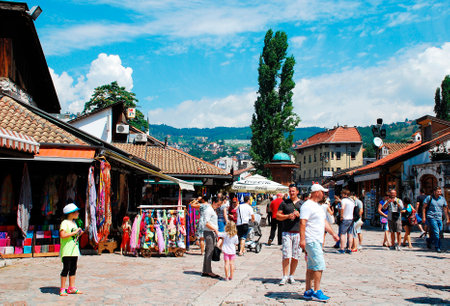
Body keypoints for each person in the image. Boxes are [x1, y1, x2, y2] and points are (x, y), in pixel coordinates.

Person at [300, 184, 339, 301]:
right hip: (311, 239)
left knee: (311, 266)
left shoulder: (317, 206)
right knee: (319, 265)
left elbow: (324, 222)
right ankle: (317, 291)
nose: (324, 194)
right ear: (317, 192)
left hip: (317, 239)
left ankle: (308, 290)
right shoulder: (307, 206)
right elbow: (302, 222)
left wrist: (333, 234)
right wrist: (302, 239)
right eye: (323, 192)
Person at [276, 184, 301, 285]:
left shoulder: (302, 204)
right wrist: (287, 216)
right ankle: (285, 275)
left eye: (293, 191)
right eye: (290, 191)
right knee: (286, 255)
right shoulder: (284, 203)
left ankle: (292, 275)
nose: (291, 193)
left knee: (295, 256)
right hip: (286, 232)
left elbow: (306, 218)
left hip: (298, 232)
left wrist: (300, 215)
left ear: (297, 192)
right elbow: (278, 216)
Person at [59, 203, 84, 296]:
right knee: (66, 268)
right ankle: (62, 288)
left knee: (73, 268)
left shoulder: (75, 223)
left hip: (74, 250)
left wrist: (79, 233)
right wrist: (74, 232)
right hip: (67, 251)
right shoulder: (64, 223)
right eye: (76, 211)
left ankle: (71, 287)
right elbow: (63, 235)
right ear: (71, 213)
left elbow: (74, 235)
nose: (78, 213)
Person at [423, 186, 449, 253]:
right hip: (431, 217)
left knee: (440, 232)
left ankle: (429, 240)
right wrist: (424, 217)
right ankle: (437, 247)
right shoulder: (429, 198)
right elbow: (424, 207)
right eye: (438, 191)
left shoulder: (442, 199)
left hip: (439, 217)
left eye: (440, 191)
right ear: (434, 192)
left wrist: (448, 218)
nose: (439, 193)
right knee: (436, 232)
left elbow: (445, 209)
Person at [201, 196, 222, 278]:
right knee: (209, 251)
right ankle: (208, 271)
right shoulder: (209, 210)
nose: (218, 206)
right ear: (213, 202)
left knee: (209, 251)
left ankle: (206, 270)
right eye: (218, 204)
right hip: (209, 232)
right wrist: (215, 230)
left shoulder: (211, 210)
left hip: (211, 232)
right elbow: (206, 223)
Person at [338, 189, 354, 254]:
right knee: (350, 234)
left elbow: (342, 208)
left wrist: (341, 216)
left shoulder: (343, 200)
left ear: (345, 194)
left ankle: (342, 248)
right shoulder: (352, 201)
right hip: (351, 218)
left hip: (345, 218)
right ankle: (349, 248)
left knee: (342, 234)